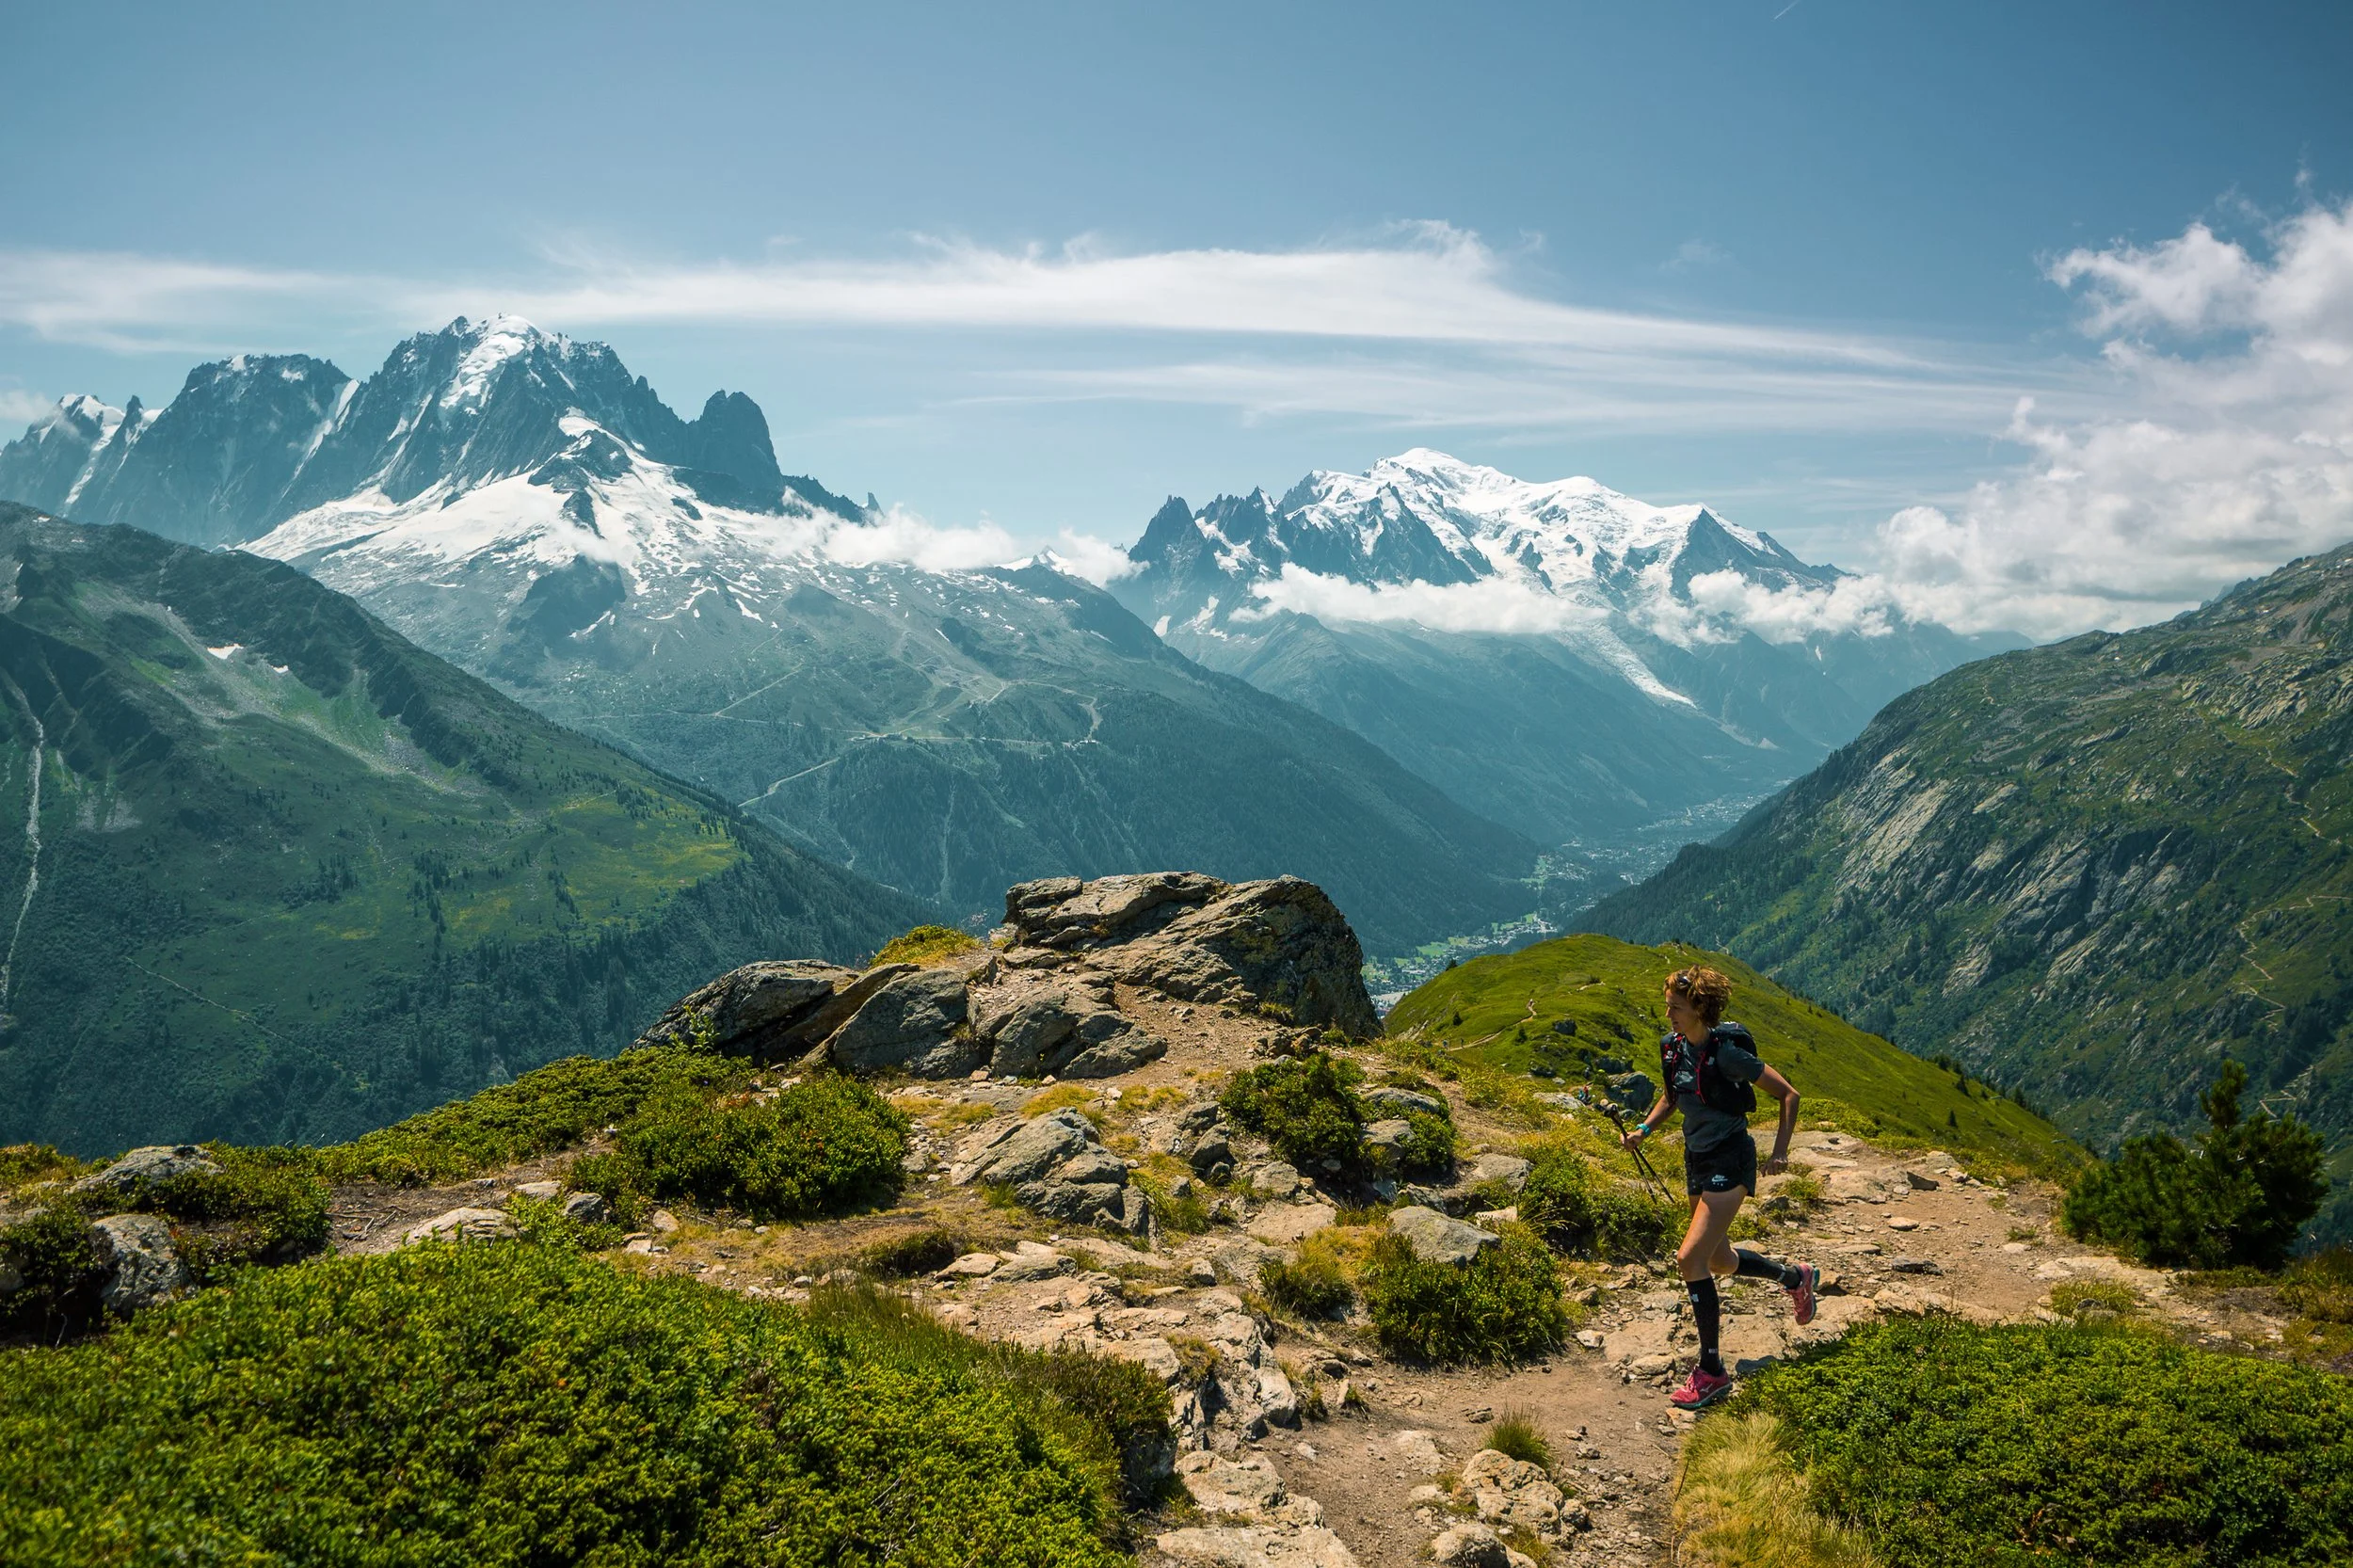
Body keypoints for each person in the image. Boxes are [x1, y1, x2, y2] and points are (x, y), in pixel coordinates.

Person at [1619, 964, 1818, 1410]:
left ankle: (1712, 1371)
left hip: (1731, 1158)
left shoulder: (1727, 1054)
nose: (1668, 1013)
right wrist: (1642, 1131)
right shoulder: (1673, 1049)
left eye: (1676, 1006)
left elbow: (1789, 1094)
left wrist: (1779, 1151)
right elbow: (1672, 1098)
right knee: (1720, 1260)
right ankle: (1795, 1277)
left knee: (1689, 1258)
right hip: (1697, 1158)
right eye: (1668, 1004)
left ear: (1700, 1008)